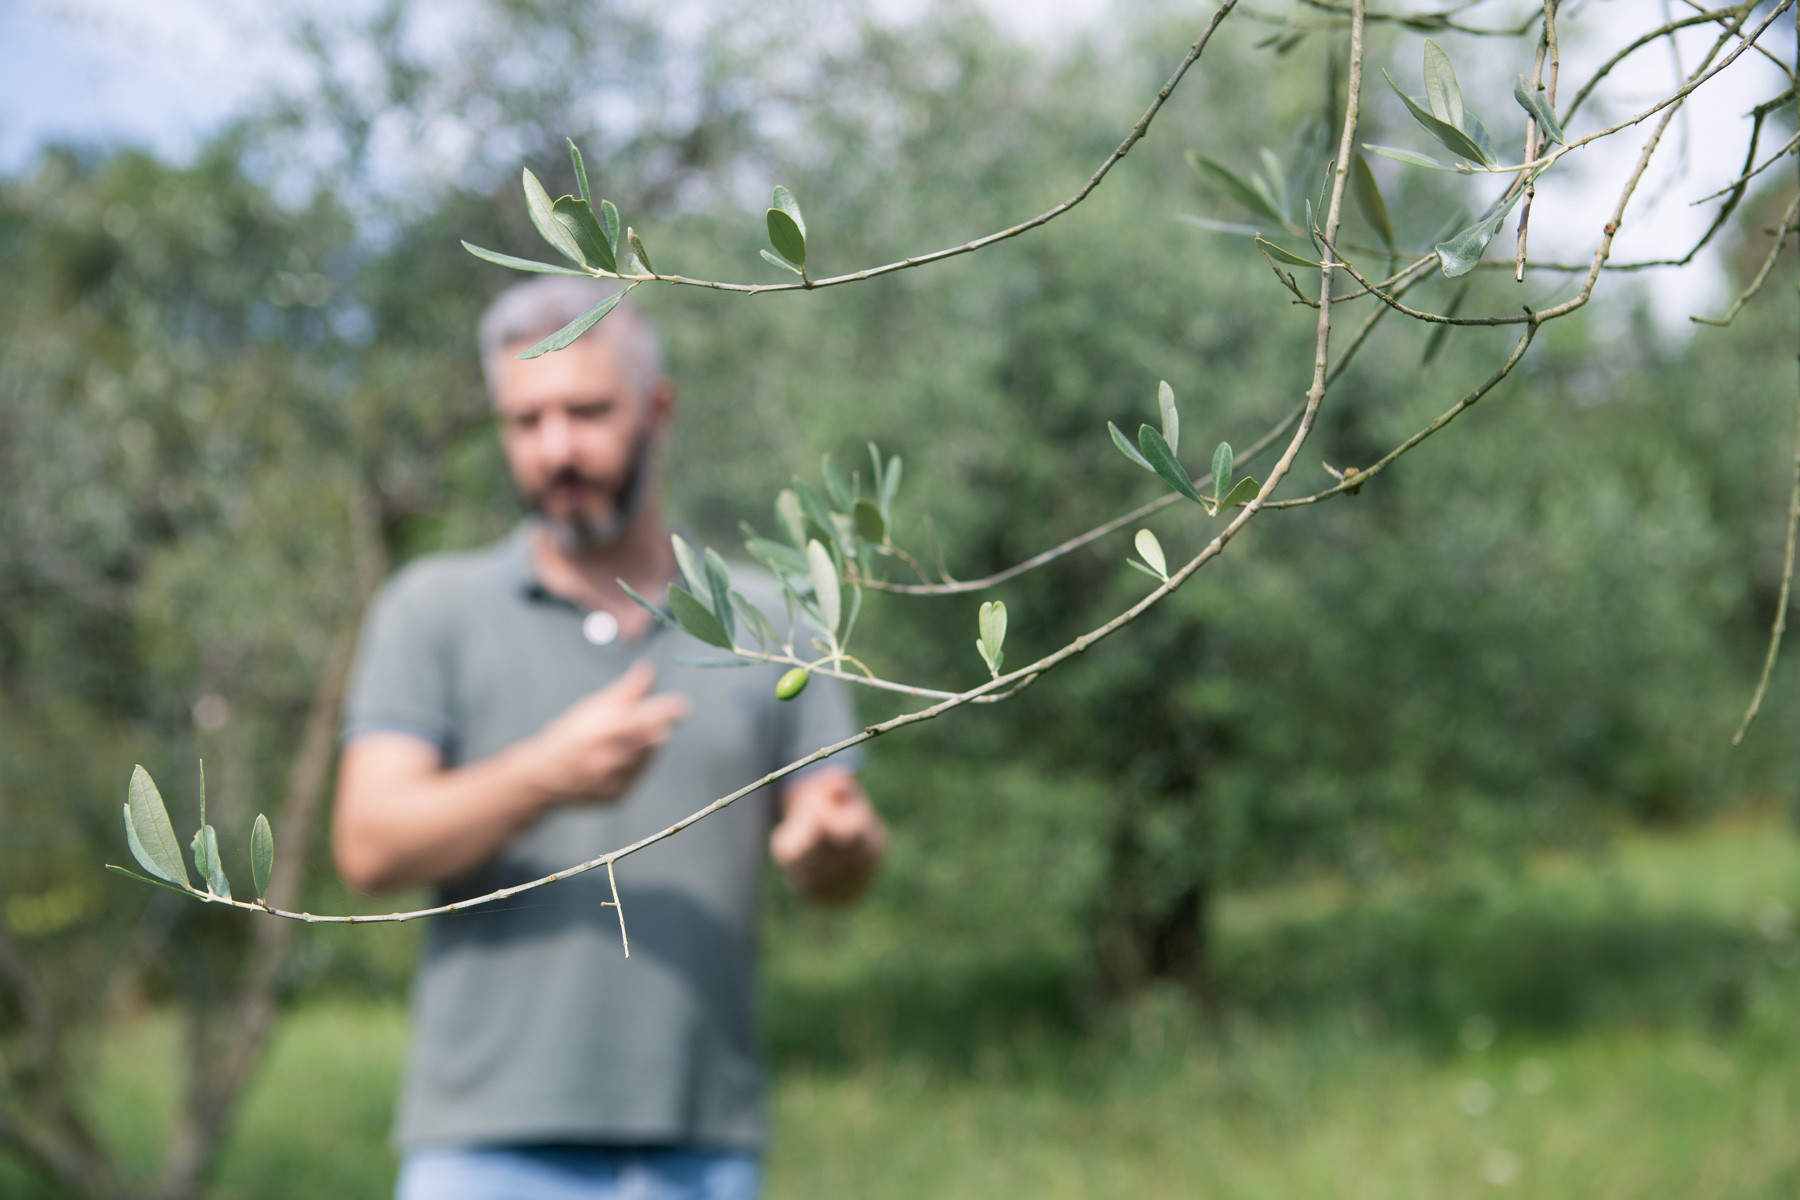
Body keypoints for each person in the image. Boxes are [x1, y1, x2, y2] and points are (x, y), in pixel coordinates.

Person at [331, 276, 888, 1200]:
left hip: (702, 1144)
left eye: (586, 411)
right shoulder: (432, 610)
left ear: (657, 411)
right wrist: (542, 776)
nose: (557, 450)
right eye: (525, 421)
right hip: (484, 1147)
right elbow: (369, 844)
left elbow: (841, 859)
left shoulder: (773, 617)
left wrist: (836, 846)